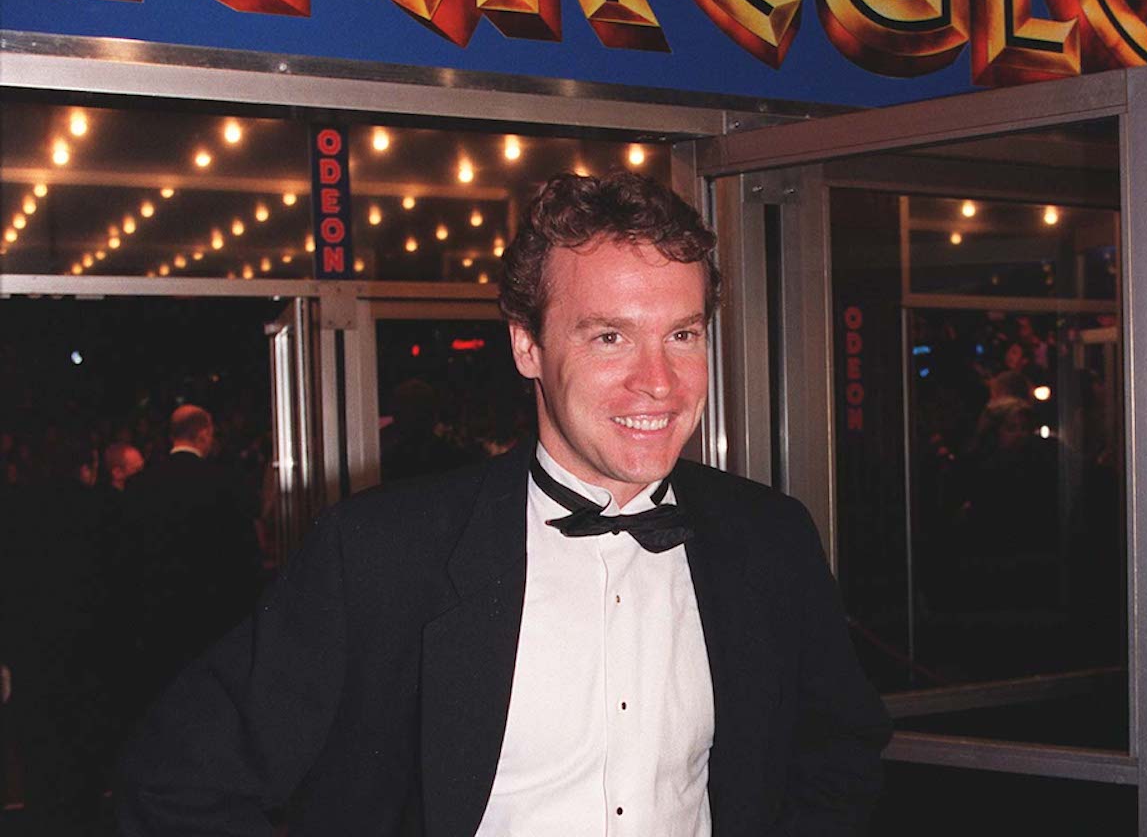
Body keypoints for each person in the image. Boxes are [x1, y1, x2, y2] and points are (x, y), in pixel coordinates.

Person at [117, 173, 891, 836]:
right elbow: (179, 781)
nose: (658, 382)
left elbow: (838, 752)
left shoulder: (769, 538)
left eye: (682, 335)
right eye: (609, 338)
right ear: (527, 345)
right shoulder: (382, 553)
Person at [1, 437, 116, 835]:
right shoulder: (101, 508)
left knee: (39, 762)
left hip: (34, 652)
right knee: (85, 764)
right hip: (89, 652)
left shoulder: (16, 508)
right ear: (89, 464)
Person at [122, 405, 263, 708]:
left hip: (156, 615)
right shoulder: (223, 482)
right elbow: (244, 556)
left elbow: (127, 555)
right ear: (204, 433)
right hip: (211, 613)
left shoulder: (140, 486)